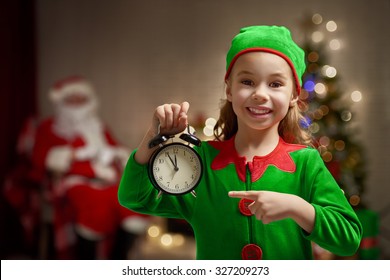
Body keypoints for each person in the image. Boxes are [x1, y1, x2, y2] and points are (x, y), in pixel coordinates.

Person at [118, 25, 362, 259]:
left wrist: (297, 207)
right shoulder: (200, 162)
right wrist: (152, 137)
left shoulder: (306, 163)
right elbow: (134, 198)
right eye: (247, 82)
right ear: (229, 90)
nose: (260, 94)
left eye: (275, 84)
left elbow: (349, 239)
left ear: (294, 95)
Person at [31, 76, 149, 259]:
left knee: (131, 199)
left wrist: (118, 154)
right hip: (71, 181)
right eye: (72, 99)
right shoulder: (49, 128)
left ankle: (119, 259)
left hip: (107, 179)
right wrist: (74, 154)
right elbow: (41, 161)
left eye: (82, 99)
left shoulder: (99, 127)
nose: (78, 104)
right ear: (61, 102)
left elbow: (117, 148)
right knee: (96, 203)